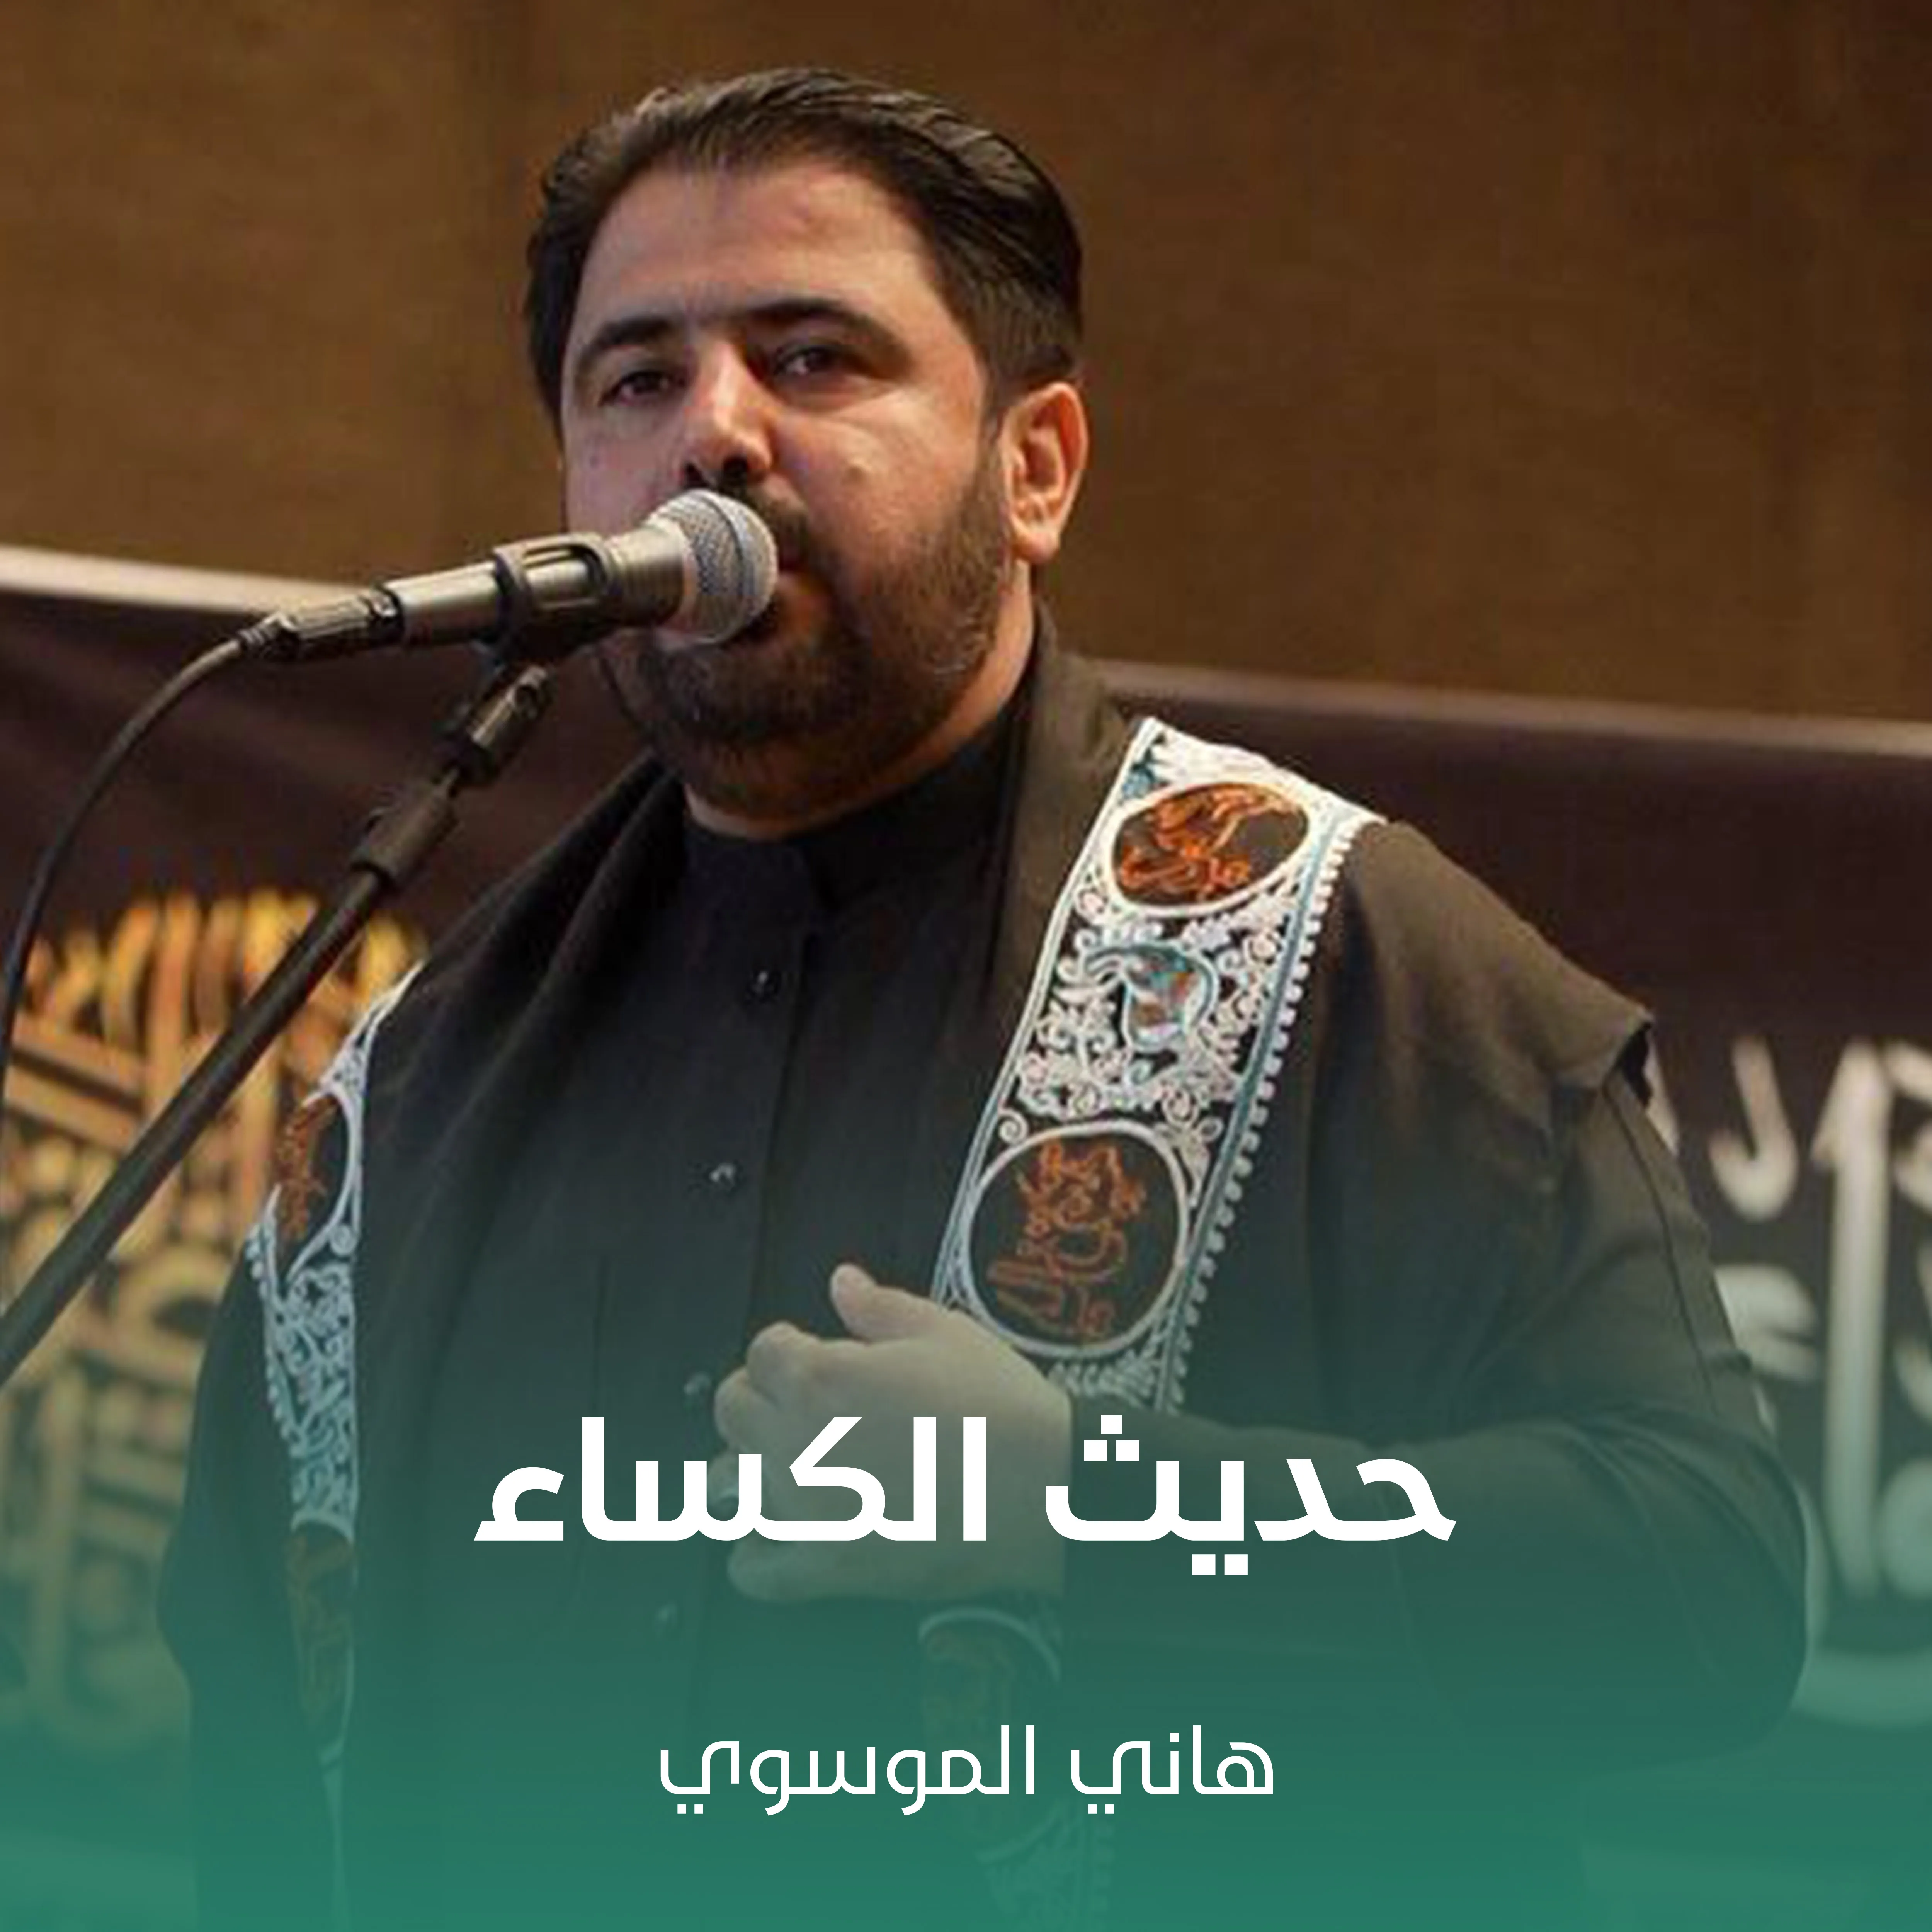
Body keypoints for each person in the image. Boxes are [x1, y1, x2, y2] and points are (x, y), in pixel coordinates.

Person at [161, 67, 1806, 1932]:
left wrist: (1088, 1510)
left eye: (811, 358)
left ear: (1035, 470)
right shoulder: (409, 1091)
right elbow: (252, 1752)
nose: (713, 434)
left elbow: (1702, 1589)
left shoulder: (1342, 953)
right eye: (634, 381)